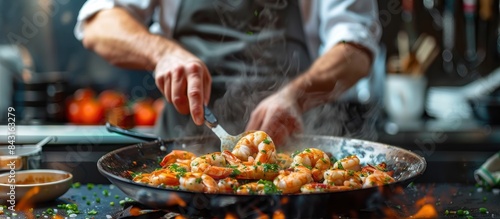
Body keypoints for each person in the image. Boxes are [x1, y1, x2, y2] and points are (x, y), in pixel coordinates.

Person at [74, 0, 381, 146]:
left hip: (292, 143)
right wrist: (162, 52)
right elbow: (97, 24)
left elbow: (357, 47)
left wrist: (296, 96)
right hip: (182, 148)